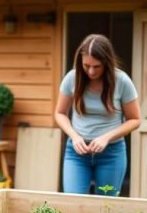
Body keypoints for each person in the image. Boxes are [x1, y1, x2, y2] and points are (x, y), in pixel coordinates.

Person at [53, 34, 140, 196]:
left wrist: (106, 137)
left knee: (105, 208)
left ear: (107, 62)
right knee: (73, 202)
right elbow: (59, 113)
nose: (91, 71)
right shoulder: (72, 78)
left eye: (97, 66)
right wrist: (74, 136)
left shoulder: (122, 81)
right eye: (86, 66)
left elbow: (135, 120)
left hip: (111, 153)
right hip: (77, 153)